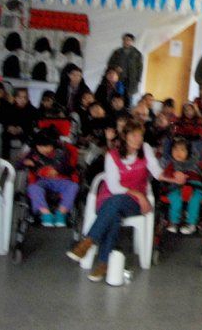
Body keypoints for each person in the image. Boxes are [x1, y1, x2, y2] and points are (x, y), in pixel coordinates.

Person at [67, 120, 174, 282]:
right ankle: (104, 263)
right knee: (114, 212)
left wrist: (172, 178)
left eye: (140, 135)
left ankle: (88, 242)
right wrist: (137, 194)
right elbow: (114, 187)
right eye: (134, 135)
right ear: (124, 136)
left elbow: (157, 172)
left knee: (115, 205)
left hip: (134, 203)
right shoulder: (112, 155)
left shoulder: (145, 149)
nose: (138, 139)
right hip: (113, 196)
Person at [17, 129, 79, 227]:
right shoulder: (33, 153)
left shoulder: (61, 152)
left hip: (62, 179)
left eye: (46, 147)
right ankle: (46, 214)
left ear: (53, 145)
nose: (43, 150)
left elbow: (70, 168)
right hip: (43, 180)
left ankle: (61, 214)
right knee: (32, 188)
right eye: (40, 147)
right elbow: (18, 164)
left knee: (74, 186)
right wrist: (25, 162)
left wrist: (58, 170)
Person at [161, 137, 202, 235]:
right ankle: (174, 222)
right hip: (176, 187)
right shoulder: (171, 165)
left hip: (195, 186)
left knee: (195, 198)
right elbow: (165, 175)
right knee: (174, 198)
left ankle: (191, 224)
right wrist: (172, 175)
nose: (178, 152)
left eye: (182, 150)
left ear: (188, 152)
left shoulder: (196, 162)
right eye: (175, 149)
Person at [106, 33, 143, 106]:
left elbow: (140, 68)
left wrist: (138, 79)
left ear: (132, 42)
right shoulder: (117, 52)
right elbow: (109, 64)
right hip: (118, 80)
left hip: (131, 81)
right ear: (123, 41)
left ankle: (126, 112)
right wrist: (116, 67)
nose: (127, 41)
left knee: (129, 99)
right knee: (116, 97)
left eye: (129, 40)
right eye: (125, 39)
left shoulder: (137, 54)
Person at [3, 88, 38, 159]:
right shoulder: (10, 108)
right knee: (4, 135)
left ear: (28, 98)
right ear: (15, 98)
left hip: (25, 131)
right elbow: (5, 120)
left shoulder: (32, 110)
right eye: (20, 97)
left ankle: (24, 160)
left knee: (29, 138)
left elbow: (33, 124)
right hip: (11, 130)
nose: (22, 100)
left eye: (25, 97)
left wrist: (21, 128)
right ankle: (5, 160)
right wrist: (9, 127)